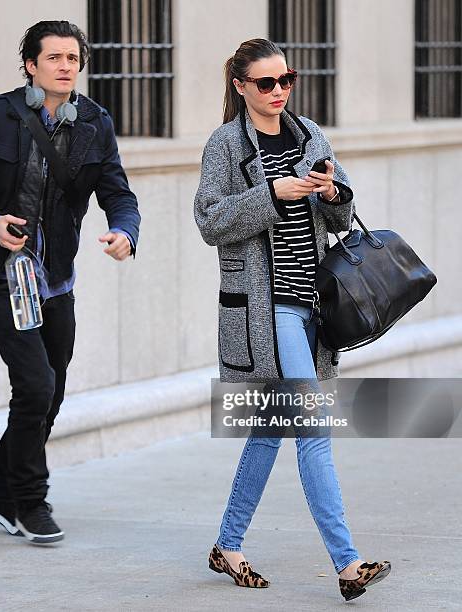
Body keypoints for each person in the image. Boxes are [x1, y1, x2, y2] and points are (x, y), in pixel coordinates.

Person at [194, 38, 390, 601]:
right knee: (314, 432)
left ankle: (227, 546)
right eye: (266, 83)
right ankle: (348, 563)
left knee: (269, 431)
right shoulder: (225, 145)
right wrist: (271, 195)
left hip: (311, 308)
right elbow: (210, 221)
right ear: (240, 86)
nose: (279, 91)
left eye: (286, 80)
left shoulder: (308, 134)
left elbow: (340, 211)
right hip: (266, 309)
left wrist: (330, 189)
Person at [0, 21, 141, 544]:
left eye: (73, 58)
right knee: (35, 384)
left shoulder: (94, 121)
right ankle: (30, 500)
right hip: (1, 273)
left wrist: (124, 232)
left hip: (55, 277)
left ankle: (2, 487)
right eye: (54, 58)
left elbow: (118, 192)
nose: (66, 66)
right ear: (31, 64)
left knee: (51, 390)